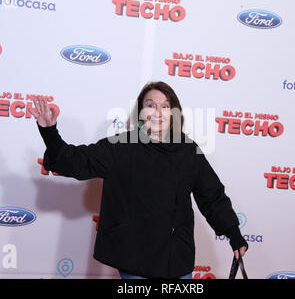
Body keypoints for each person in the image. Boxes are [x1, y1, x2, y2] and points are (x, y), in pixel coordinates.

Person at [30, 81, 248, 279]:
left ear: (173, 113)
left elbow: (212, 195)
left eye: (165, 106)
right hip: (135, 260)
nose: (158, 112)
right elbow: (77, 162)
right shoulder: (122, 146)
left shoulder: (189, 150)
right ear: (141, 112)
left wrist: (233, 234)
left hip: (177, 259)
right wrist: (50, 133)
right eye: (151, 105)